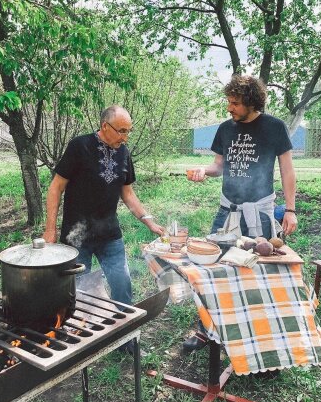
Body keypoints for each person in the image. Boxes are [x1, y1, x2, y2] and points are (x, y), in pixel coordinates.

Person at [183, 75, 297, 353]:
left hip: (259, 212)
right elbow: (218, 166)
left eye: (234, 103)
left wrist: (291, 209)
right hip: (227, 210)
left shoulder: (274, 127)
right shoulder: (225, 129)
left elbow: (287, 170)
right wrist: (203, 171)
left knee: (261, 273)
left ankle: (260, 336)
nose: (229, 108)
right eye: (229, 102)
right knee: (212, 268)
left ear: (250, 101)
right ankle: (206, 330)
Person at [43, 105, 163, 352]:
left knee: (122, 284)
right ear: (104, 126)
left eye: (128, 131)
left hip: (109, 234)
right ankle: (79, 340)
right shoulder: (80, 146)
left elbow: (128, 193)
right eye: (121, 131)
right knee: (77, 291)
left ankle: (126, 338)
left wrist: (148, 219)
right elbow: (56, 188)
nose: (125, 137)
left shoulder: (123, 152)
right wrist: (50, 230)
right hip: (77, 236)